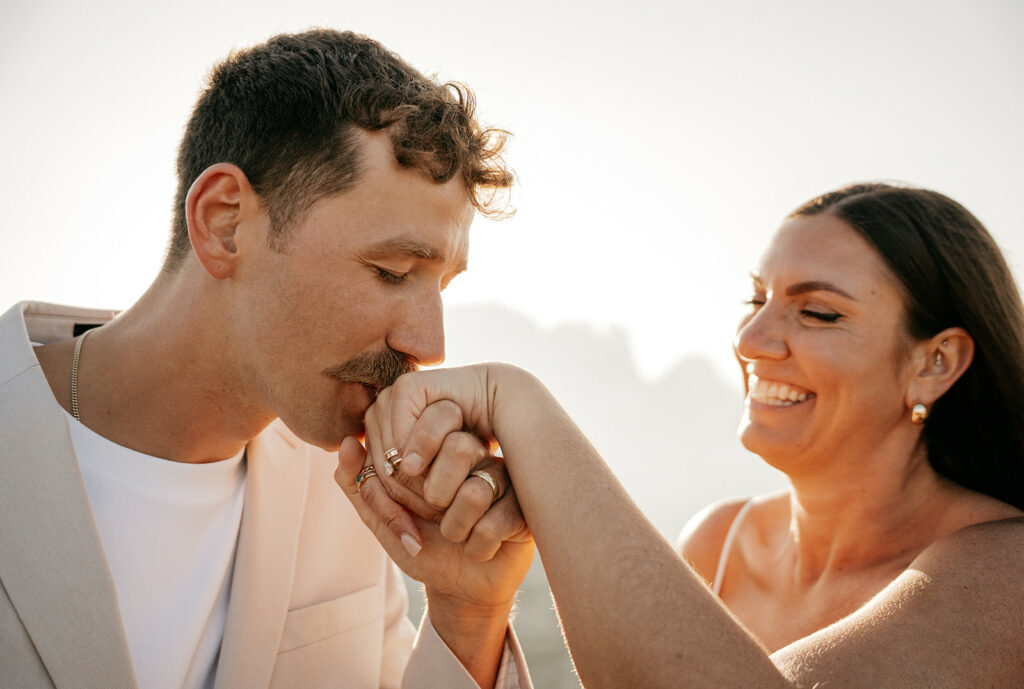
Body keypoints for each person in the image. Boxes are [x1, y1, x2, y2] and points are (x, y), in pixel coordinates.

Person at [0, 29, 535, 689]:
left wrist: (467, 610)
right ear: (224, 222)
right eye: (392, 271)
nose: (430, 345)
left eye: (442, 286)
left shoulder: (359, 490)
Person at [342, 183, 1024, 688]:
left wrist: (516, 404)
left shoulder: (1006, 568)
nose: (752, 340)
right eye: (757, 301)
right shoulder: (719, 542)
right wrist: (473, 610)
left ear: (935, 362)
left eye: (816, 311)